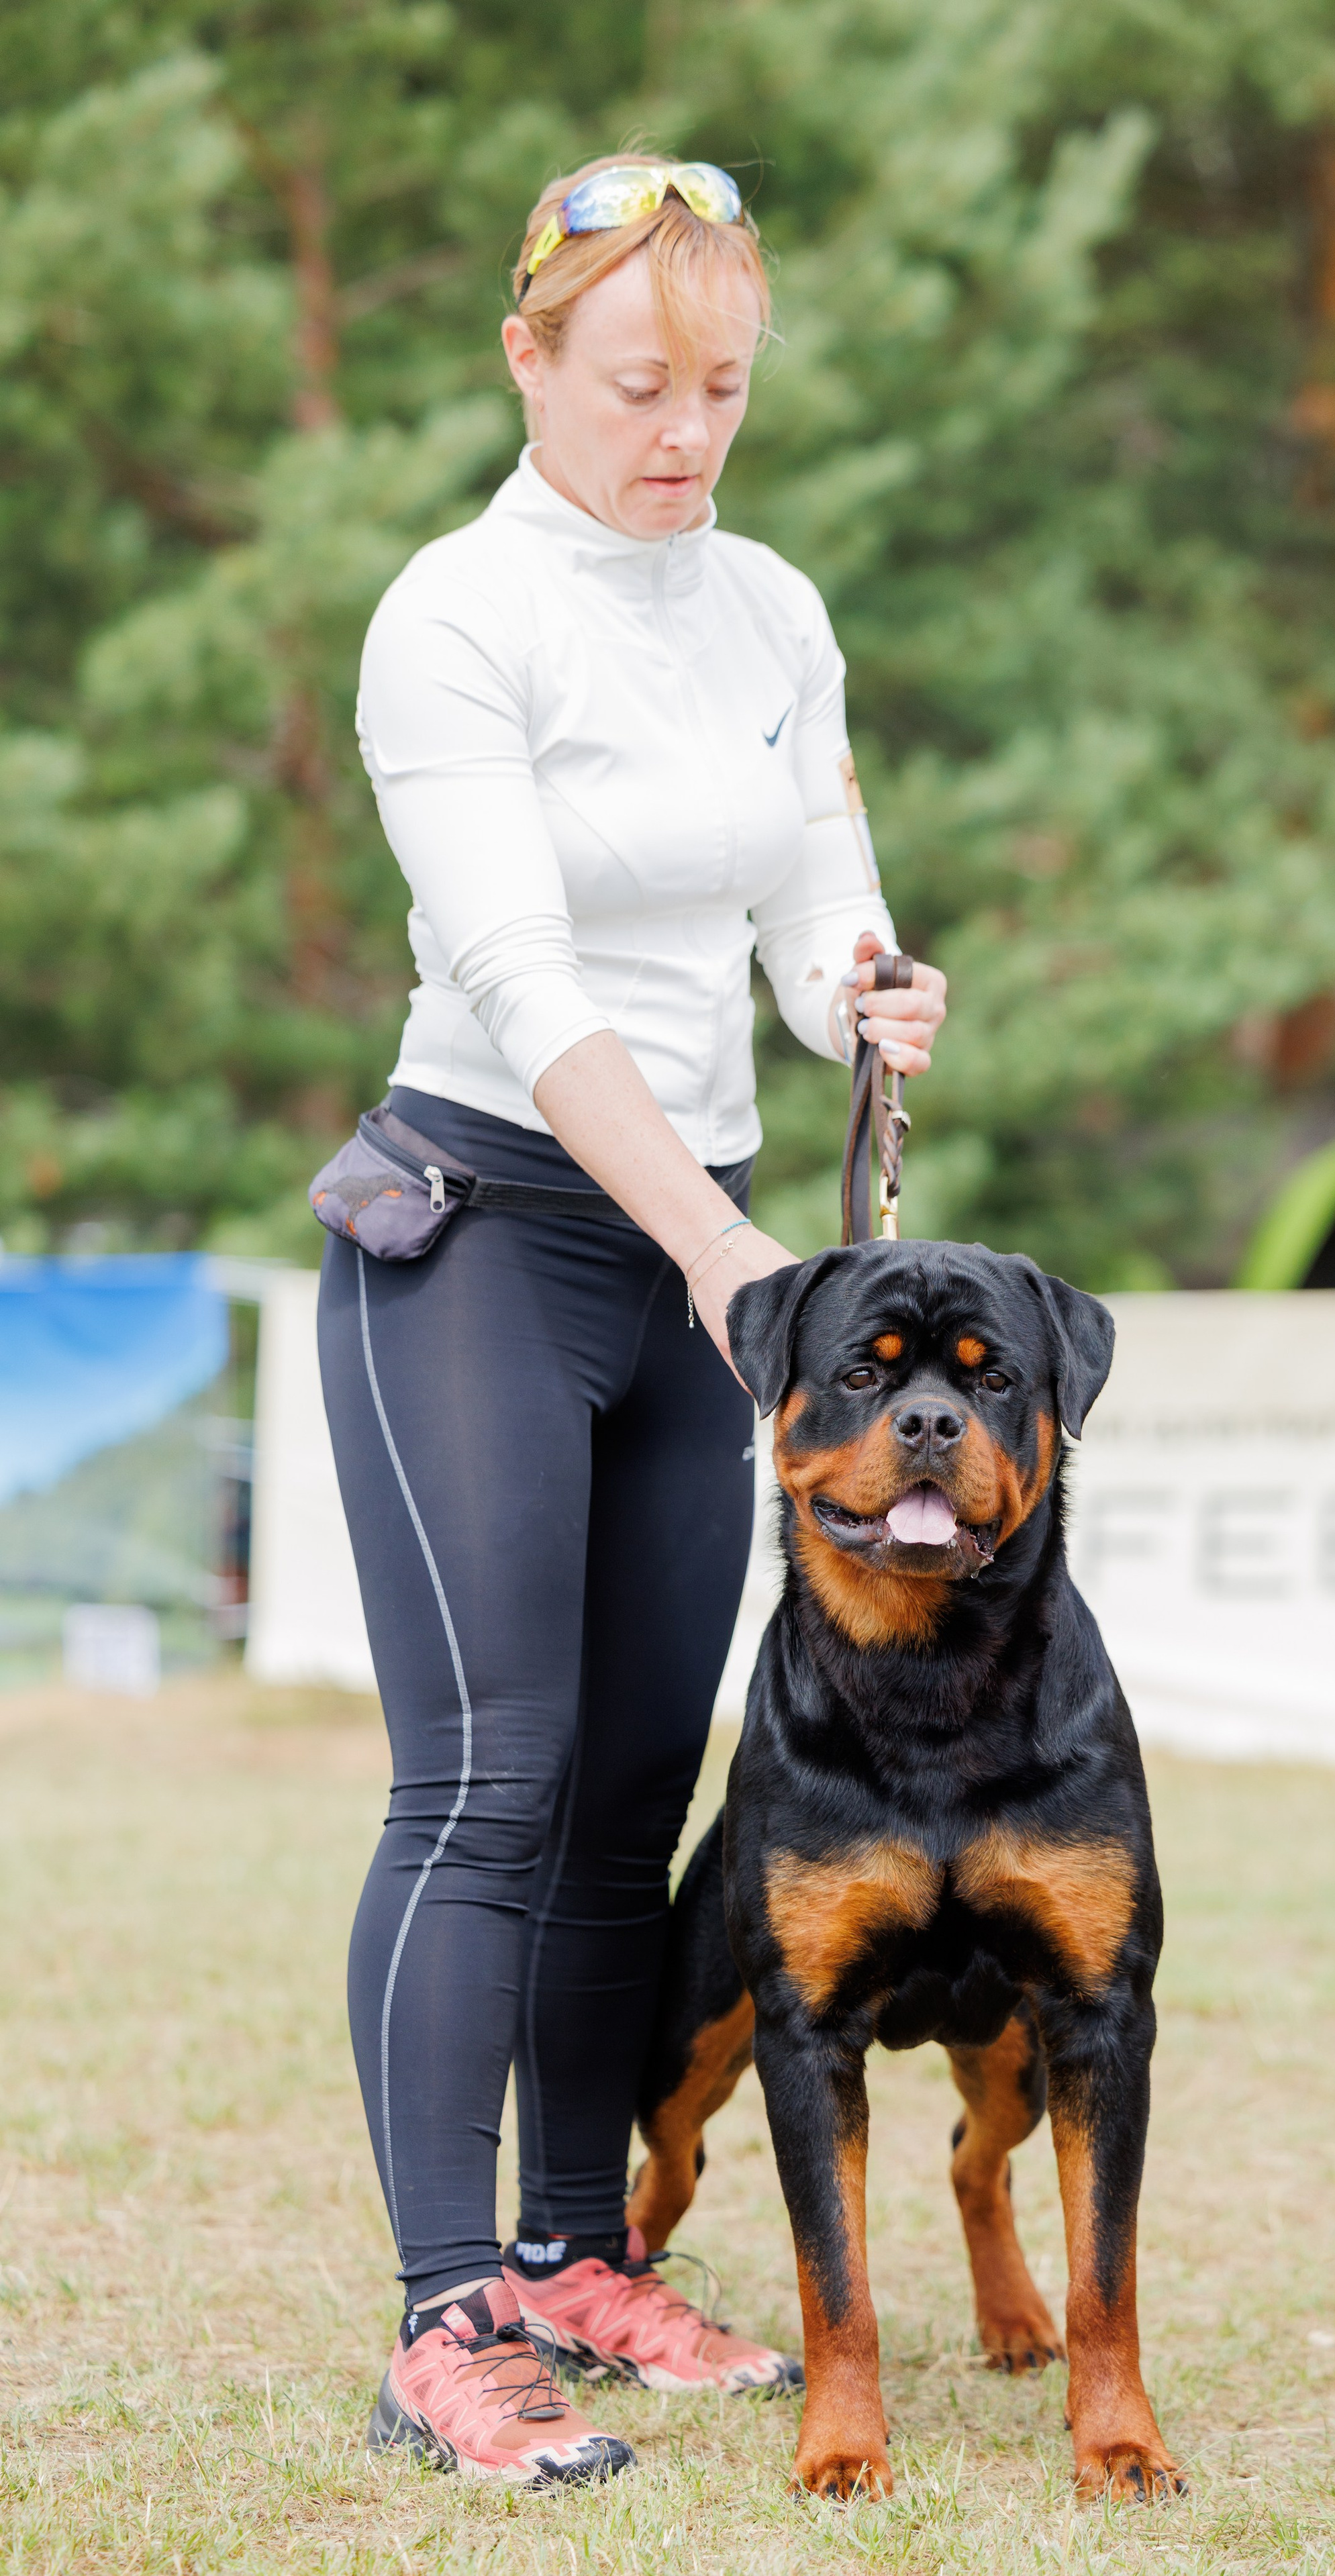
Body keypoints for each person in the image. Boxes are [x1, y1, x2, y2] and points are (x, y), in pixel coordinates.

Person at [316, 156, 947, 2487]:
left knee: (623, 1805)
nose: (685, 430)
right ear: (527, 363)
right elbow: (526, 979)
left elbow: (812, 906)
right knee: (482, 1785)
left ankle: (582, 2259)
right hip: (489, 1228)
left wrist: (870, 995)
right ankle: (438, 2315)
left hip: (722, 1250)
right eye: (639, 385)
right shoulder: (455, 616)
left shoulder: (772, 606)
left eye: (725, 388)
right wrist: (717, 1257)